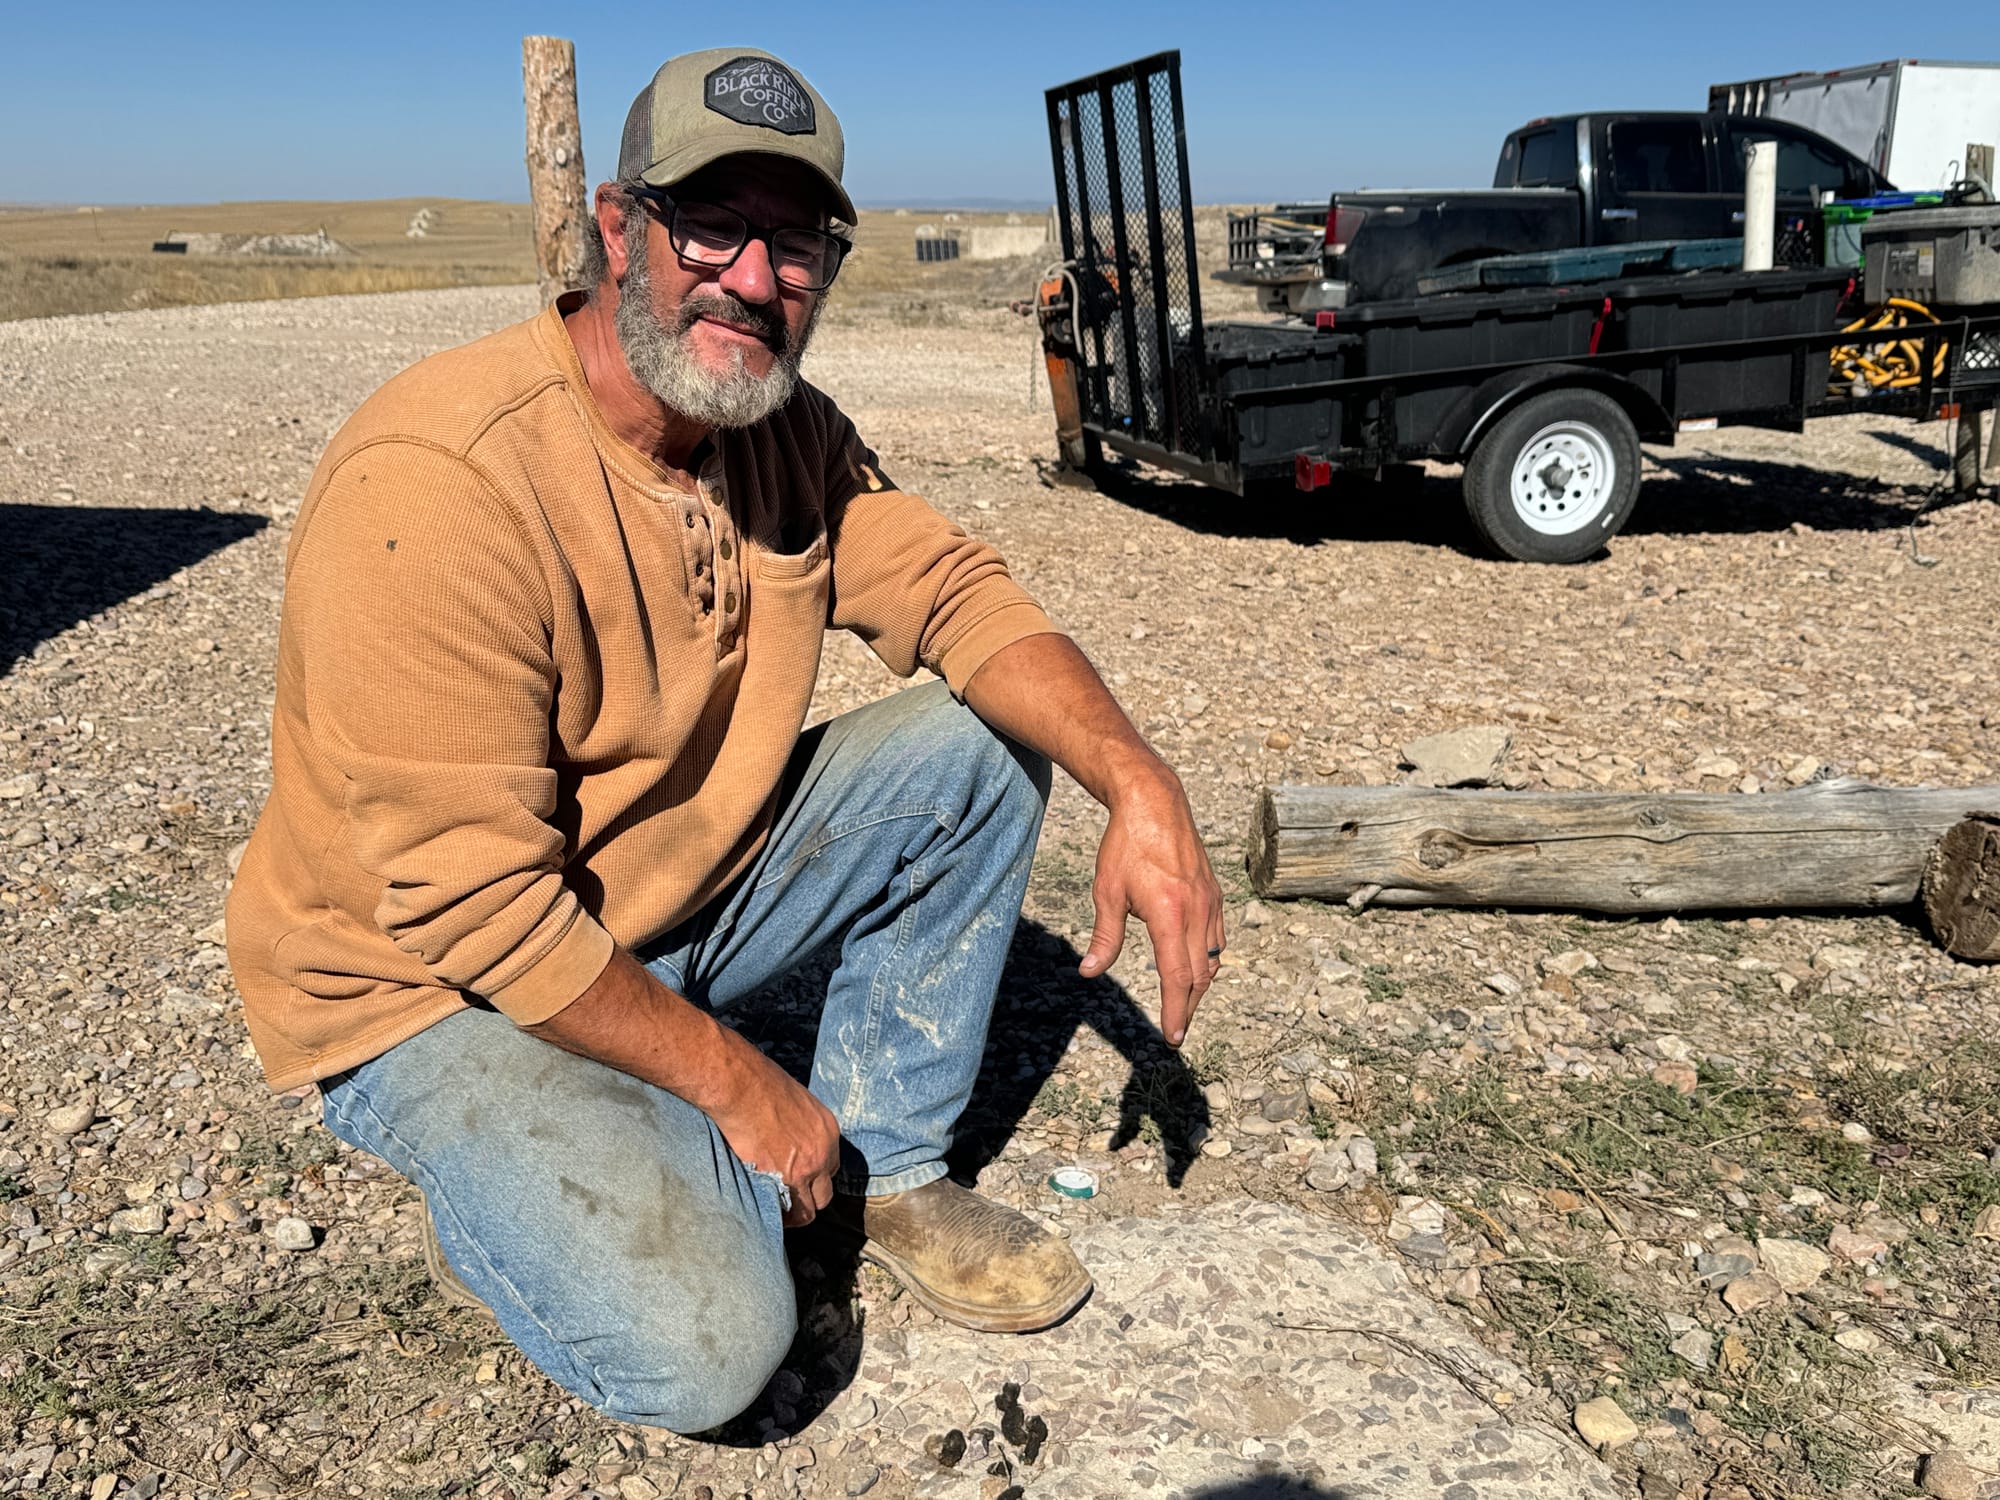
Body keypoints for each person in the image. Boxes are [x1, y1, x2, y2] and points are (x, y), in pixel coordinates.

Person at [226, 46, 1222, 1433]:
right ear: (617, 228)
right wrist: (744, 1089)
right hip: (425, 983)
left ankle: (890, 1164)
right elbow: (474, 904)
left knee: (980, 741)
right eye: (712, 224)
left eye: (799, 240)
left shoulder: (782, 429)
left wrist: (1141, 780)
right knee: (711, 1348)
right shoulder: (442, 479)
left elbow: (956, 593)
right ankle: (506, 1186)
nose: (757, 279)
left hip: (644, 905)